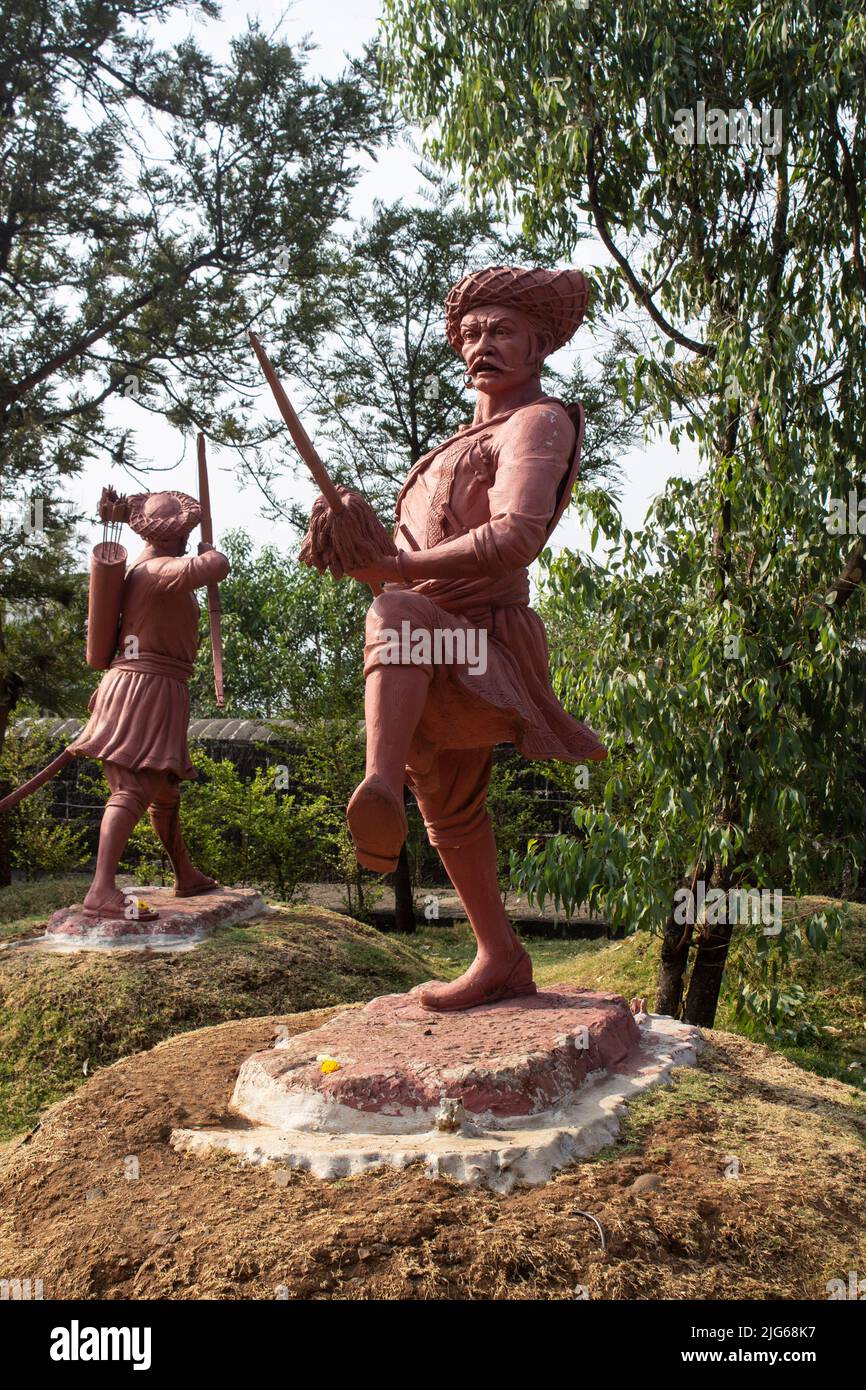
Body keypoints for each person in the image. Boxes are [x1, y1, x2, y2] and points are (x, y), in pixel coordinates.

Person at [331, 266, 608, 1010]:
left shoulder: (538, 423)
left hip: (483, 644)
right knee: (449, 803)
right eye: (472, 332)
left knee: (394, 619)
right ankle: (500, 955)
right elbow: (399, 573)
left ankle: (376, 787)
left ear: (540, 344)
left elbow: (515, 535)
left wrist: (396, 572)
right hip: (425, 649)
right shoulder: (446, 447)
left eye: (503, 330)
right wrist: (355, 547)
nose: (483, 344)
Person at [71, 490, 229, 919]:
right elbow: (217, 566)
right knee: (133, 789)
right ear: (178, 536)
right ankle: (101, 889)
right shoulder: (160, 569)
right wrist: (208, 552)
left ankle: (185, 873)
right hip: (145, 686)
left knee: (165, 789)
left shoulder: (145, 567)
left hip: (153, 685)